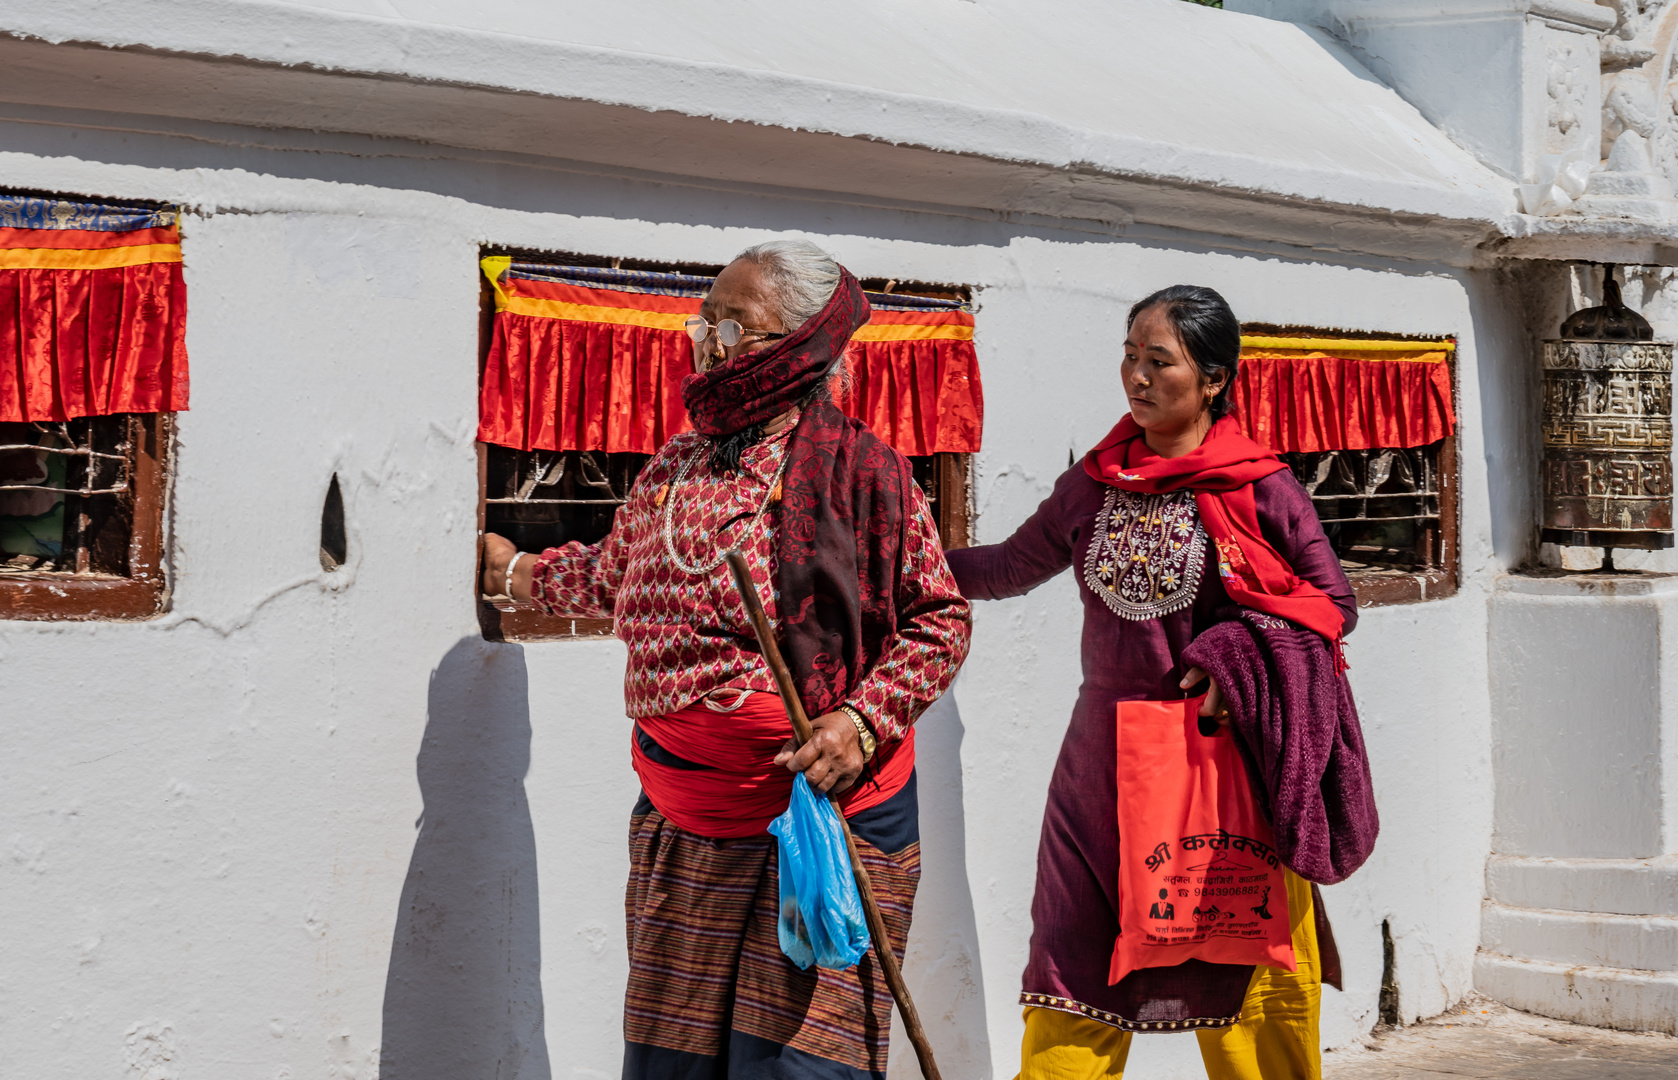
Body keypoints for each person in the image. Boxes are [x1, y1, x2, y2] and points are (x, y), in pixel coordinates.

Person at [482, 239, 971, 1079]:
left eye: (732, 327)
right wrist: (516, 570)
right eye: (704, 324)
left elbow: (939, 620)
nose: (709, 345)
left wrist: (860, 721)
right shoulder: (676, 464)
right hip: (689, 826)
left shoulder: (861, 471)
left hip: (820, 825)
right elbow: (612, 575)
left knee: (789, 1069)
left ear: (796, 342)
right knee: (675, 1064)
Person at [945, 285, 1359, 1080]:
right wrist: (896, 566)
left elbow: (1331, 603)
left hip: (1226, 774)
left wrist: (1236, 651)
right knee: (1073, 971)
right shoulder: (1095, 484)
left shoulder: (1261, 488)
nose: (1136, 376)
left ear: (1212, 380)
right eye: (1129, 356)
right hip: (1101, 776)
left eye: (1158, 361)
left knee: (1251, 983)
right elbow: (1004, 567)